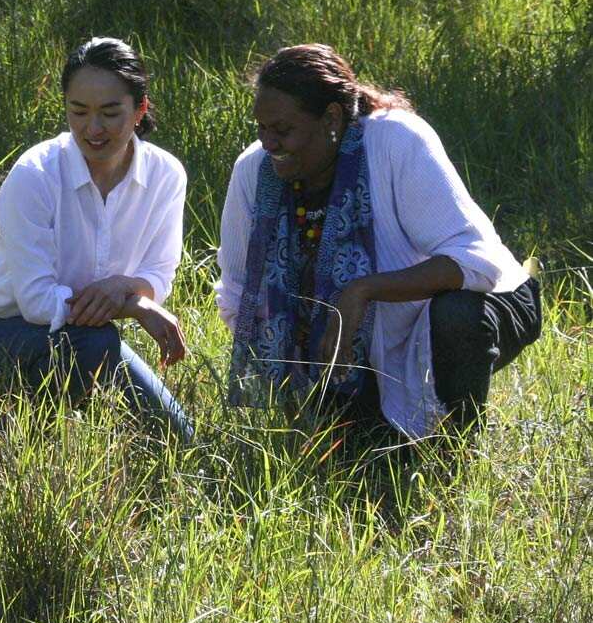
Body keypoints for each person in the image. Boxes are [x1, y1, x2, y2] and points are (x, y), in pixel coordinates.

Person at [216, 44, 541, 438]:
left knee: (456, 314)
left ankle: (457, 443)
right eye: (261, 127)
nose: (268, 143)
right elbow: (238, 295)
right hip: (361, 345)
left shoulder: (395, 141)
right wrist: (295, 379)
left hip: (479, 304)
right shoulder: (255, 171)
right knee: (358, 450)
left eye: (283, 130)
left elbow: (478, 262)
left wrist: (363, 290)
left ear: (331, 118)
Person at [0, 37, 194, 442]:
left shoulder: (166, 175)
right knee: (95, 346)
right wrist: (132, 303)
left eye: (110, 113)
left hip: (84, 338)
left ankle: (49, 420)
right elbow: (36, 301)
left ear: (140, 110)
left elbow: (159, 272)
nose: (92, 129)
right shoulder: (35, 174)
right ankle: (22, 435)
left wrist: (121, 289)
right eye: (78, 112)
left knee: (176, 435)